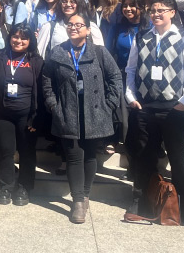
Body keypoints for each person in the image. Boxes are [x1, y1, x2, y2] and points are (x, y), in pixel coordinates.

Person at [124, 0, 184, 222]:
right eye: (153, 10)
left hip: (173, 108)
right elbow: (130, 69)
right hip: (145, 106)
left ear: (172, 13)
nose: (156, 14)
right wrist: (130, 96)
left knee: (177, 157)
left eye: (162, 10)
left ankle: (182, 204)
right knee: (143, 156)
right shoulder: (141, 37)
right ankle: (141, 201)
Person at [42, 13, 123, 223]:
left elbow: (115, 77)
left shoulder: (99, 52)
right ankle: (77, 201)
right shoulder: (58, 51)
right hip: (67, 110)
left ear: (88, 29)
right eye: (70, 24)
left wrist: (111, 103)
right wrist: (52, 104)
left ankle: (85, 194)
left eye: (79, 25)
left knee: (89, 156)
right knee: (73, 156)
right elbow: (47, 80)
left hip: (95, 111)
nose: (74, 28)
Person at [0, 24, 42, 206]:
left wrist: (36, 117)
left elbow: (41, 91)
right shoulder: (0, 56)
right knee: (5, 151)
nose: (18, 41)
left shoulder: (35, 60)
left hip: (26, 115)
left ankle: (25, 187)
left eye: (23, 38)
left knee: (27, 152)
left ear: (30, 41)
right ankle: (6, 186)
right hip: (3, 113)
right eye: (15, 36)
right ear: (9, 37)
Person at [36, 0, 104, 57]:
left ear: (79, 4)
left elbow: (100, 53)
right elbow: (39, 53)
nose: (68, 5)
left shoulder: (91, 26)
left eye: (72, 2)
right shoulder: (49, 27)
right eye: (64, 2)